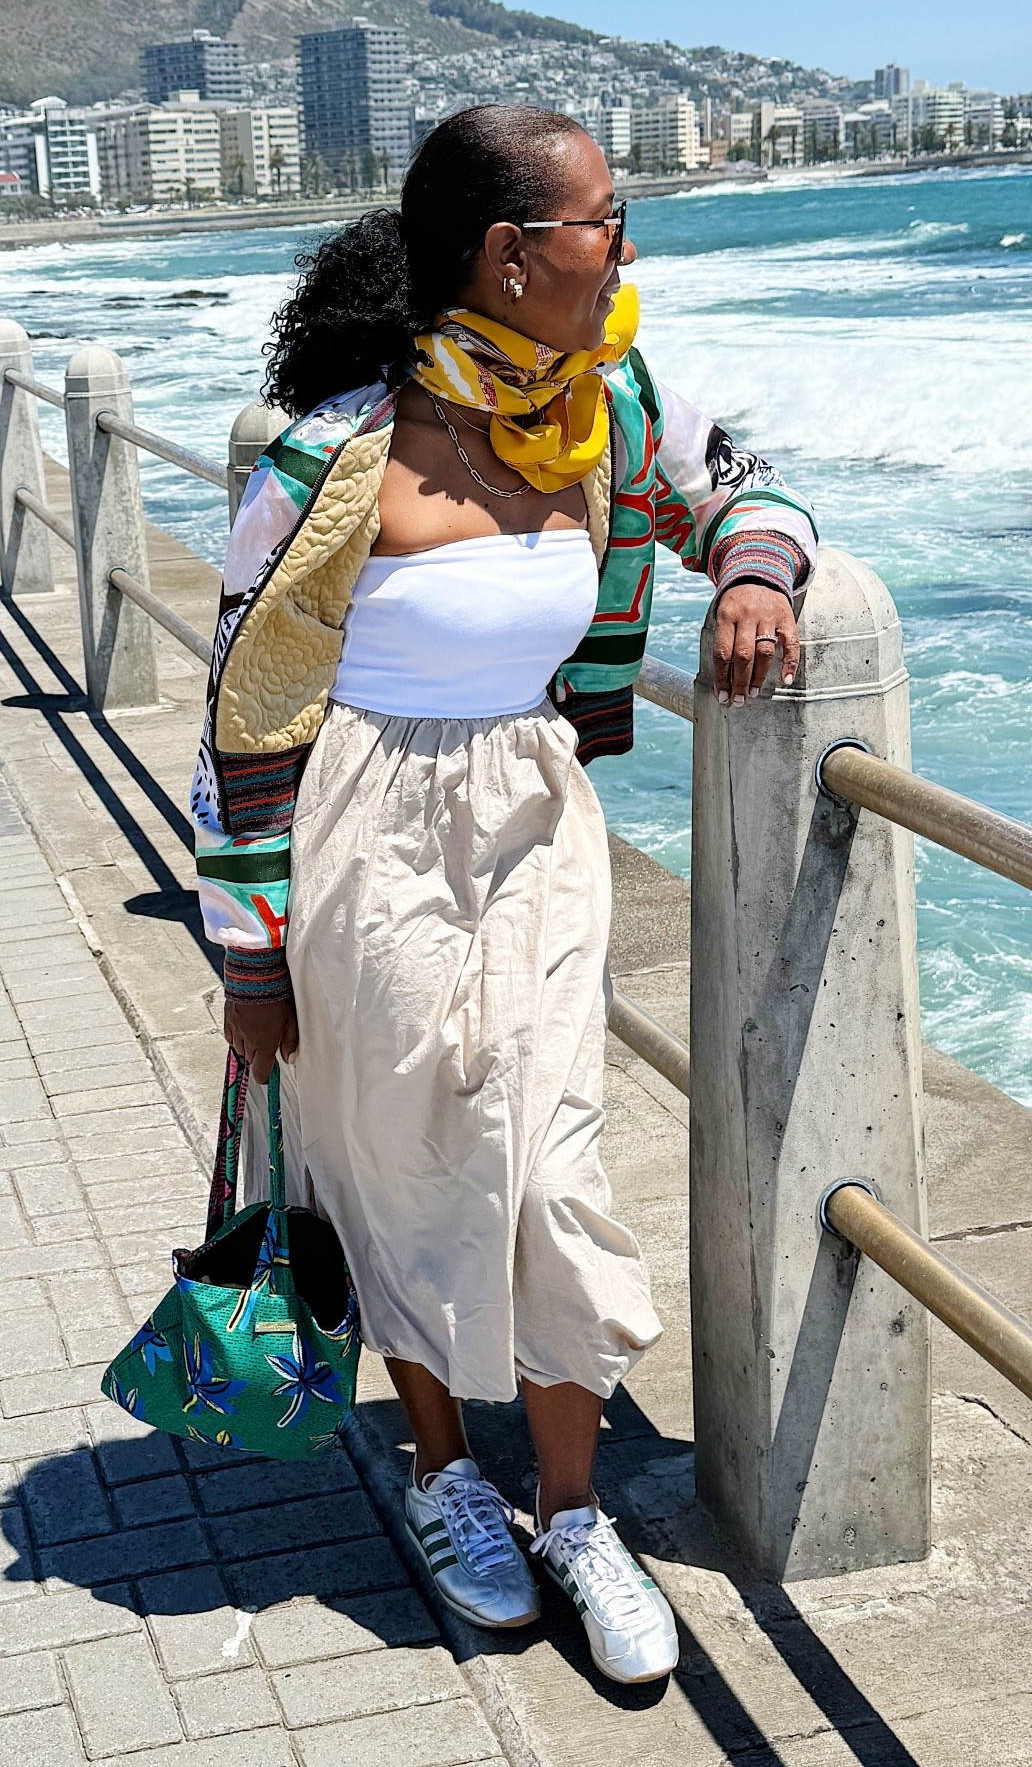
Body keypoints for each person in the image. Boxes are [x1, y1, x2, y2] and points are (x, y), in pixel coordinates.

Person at [193, 106, 816, 1687]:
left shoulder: (603, 404)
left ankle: (572, 1512)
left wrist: (754, 574)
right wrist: (250, 957)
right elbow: (239, 718)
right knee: (403, 1165)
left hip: (538, 827)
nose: (626, 246)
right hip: (364, 838)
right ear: (510, 253)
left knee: (552, 1171)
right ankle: (442, 1475)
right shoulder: (332, 454)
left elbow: (741, 489)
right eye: (606, 220)